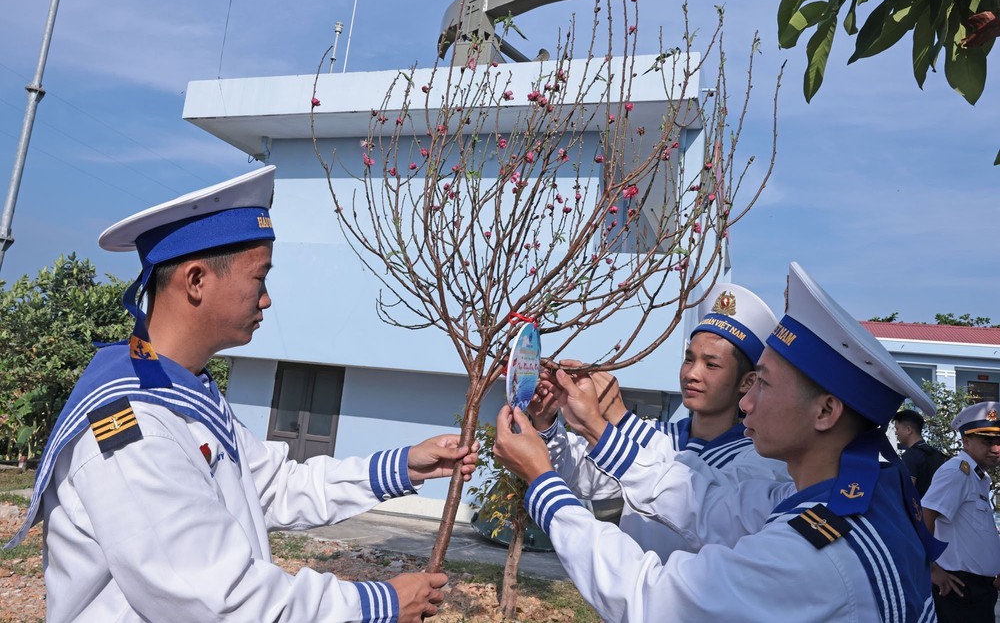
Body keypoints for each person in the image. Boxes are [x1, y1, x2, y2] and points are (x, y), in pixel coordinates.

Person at [5, 166, 477, 622]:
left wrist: (402, 467)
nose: (266, 298)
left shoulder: (185, 395)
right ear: (196, 281)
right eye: (259, 278)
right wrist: (377, 602)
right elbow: (218, 599)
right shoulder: (136, 427)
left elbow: (273, 487)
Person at [494, 262, 943, 621]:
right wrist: (594, 426)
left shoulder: (813, 553)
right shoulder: (845, 493)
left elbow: (653, 599)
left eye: (762, 385)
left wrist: (542, 482)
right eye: (690, 359)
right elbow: (708, 503)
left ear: (826, 412)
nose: (748, 403)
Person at [528, 282, 787, 558]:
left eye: (711, 365)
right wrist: (546, 421)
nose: (692, 374)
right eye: (689, 360)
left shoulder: (760, 461)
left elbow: (694, 489)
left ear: (747, 382)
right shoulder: (657, 432)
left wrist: (620, 419)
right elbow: (580, 475)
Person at [921, 401, 1000, 622]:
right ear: (966, 441)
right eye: (987, 441)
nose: (996, 448)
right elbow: (925, 515)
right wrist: (931, 569)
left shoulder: (979, 478)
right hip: (959, 590)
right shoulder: (956, 471)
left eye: (999, 441)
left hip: (979, 590)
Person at [893, 407, 948, 496]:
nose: (896, 433)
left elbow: (907, 492)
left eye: (897, 428)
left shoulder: (910, 455)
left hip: (920, 508)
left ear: (908, 430)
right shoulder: (936, 453)